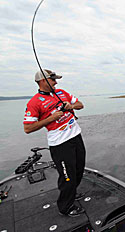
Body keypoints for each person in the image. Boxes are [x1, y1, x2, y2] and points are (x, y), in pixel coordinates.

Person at [23, 69, 86, 217]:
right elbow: (27, 128)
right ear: (43, 81)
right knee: (67, 176)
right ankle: (65, 207)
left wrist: (71, 106)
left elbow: (80, 104)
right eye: (53, 80)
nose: (56, 82)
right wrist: (50, 118)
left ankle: (73, 193)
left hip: (76, 136)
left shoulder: (61, 93)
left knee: (79, 169)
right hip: (60, 143)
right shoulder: (34, 103)